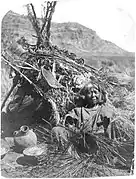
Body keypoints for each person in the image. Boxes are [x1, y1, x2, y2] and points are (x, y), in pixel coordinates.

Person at [52, 81, 114, 157]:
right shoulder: (78, 111)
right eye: (89, 93)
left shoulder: (104, 111)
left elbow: (107, 133)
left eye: (95, 92)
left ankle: (100, 156)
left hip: (95, 144)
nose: (93, 95)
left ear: (101, 95)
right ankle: (68, 155)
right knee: (57, 130)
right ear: (84, 96)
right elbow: (69, 126)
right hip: (79, 142)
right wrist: (76, 131)